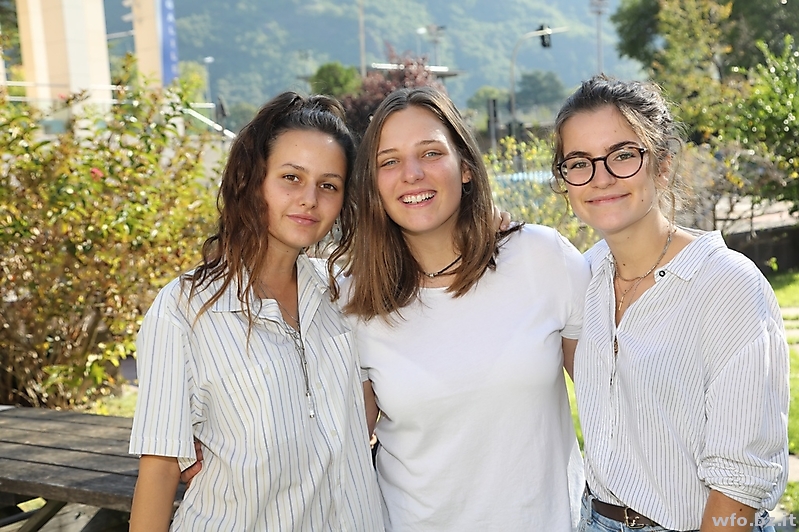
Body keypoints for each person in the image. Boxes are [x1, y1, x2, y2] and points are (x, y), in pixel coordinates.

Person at [329, 86, 591, 530]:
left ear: (465, 166)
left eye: (430, 153)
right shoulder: (354, 300)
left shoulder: (541, 258)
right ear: (373, 185)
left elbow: (616, 402)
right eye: (389, 161)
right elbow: (339, 450)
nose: (412, 174)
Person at [128, 92, 383, 531]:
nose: (309, 199)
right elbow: (160, 469)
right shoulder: (185, 310)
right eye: (291, 177)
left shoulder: (344, 296)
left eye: (328, 185)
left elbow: (364, 410)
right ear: (252, 181)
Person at [552, 75, 789, 531]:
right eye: (579, 163)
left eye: (623, 155)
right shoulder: (583, 277)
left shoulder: (728, 285)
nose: (601, 178)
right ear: (565, 180)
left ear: (661, 166)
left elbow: (741, 483)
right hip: (594, 518)